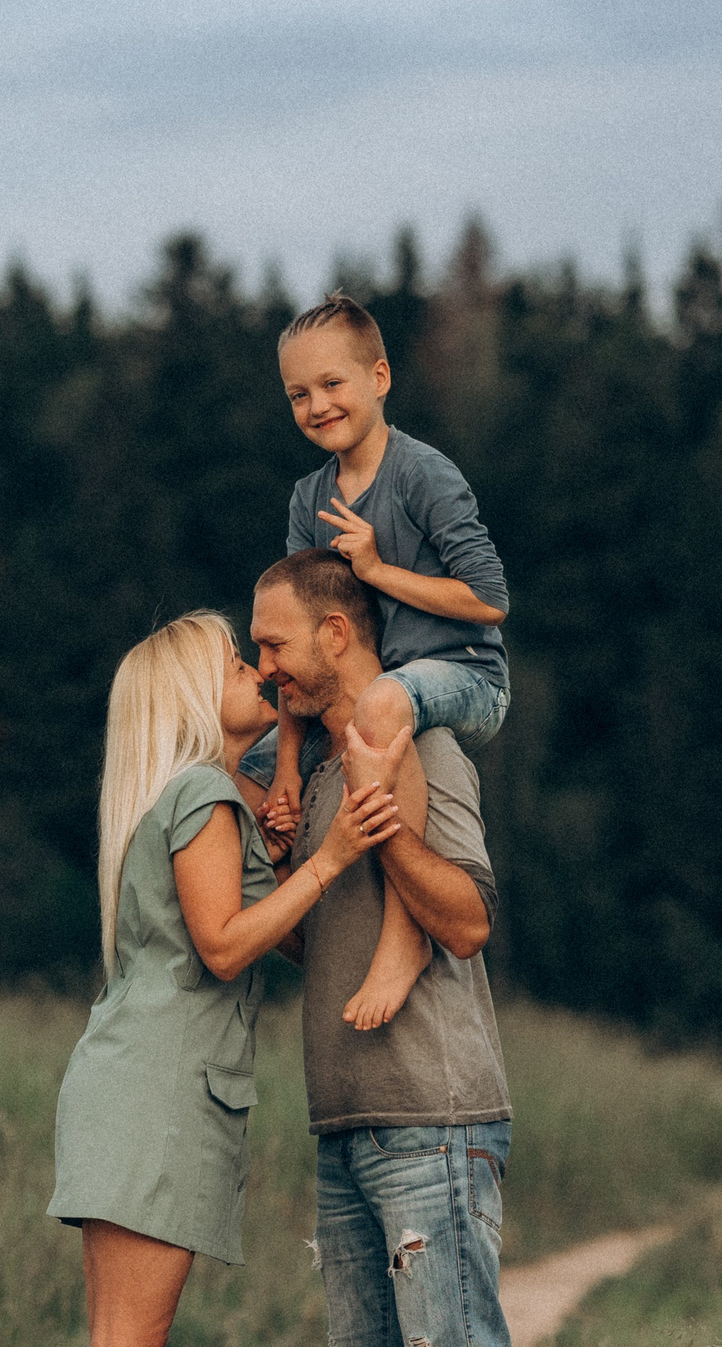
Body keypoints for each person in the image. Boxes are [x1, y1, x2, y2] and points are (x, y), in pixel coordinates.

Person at [48, 609, 401, 1347]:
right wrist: (328, 863)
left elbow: (277, 938)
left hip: (145, 1086)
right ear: (191, 694)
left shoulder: (204, 795)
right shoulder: (201, 789)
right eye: (236, 661)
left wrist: (284, 848)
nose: (257, 670)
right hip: (153, 1091)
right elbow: (226, 945)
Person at [250, 548, 528, 1347]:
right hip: (345, 1115)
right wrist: (301, 862)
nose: (263, 666)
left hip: (434, 1104)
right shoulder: (306, 767)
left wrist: (386, 831)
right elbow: (337, 939)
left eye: (274, 642)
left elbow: (464, 917)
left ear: (336, 634)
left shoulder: (425, 744)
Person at [244, 292, 512, 1036]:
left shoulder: (425, 475)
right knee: (241, 759)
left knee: (384, 702)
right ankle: (276, 921)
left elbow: (490, 600)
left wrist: (377, 568)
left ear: (380, 377)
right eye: (299, 394)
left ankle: (403, 938)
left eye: (332, 384)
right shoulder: (311, 498)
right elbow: (304, 638)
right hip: (368, 694)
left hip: (462, 677)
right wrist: (290, 766)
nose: (317, 405)